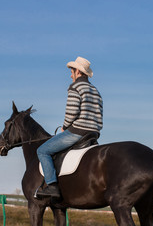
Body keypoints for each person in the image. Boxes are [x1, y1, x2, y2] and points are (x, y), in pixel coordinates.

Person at [37, 56, 103, 197]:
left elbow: (72, 111)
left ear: (78, 72)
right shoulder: (95, 90)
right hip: (94, 133)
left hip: (77, 131)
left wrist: (65, 127)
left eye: (72, 71)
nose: (70, 75)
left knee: (42, 151)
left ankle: (52, 186)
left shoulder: (75, 87)